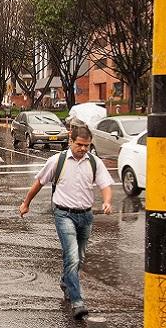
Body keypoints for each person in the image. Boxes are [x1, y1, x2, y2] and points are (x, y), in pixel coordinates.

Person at [18, 125, 113, 320]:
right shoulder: (57, 161)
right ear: (71, 141)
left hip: (86, 215)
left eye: (87, 145)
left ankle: (66, 281)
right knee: (72, 257)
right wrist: (26, 203)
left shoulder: (94, 162)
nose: (83, 148)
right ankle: (77, 302)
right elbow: (39, 183)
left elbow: (105, 184)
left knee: (80, 256)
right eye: (80, 144)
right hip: (64, 214)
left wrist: (107, 201)